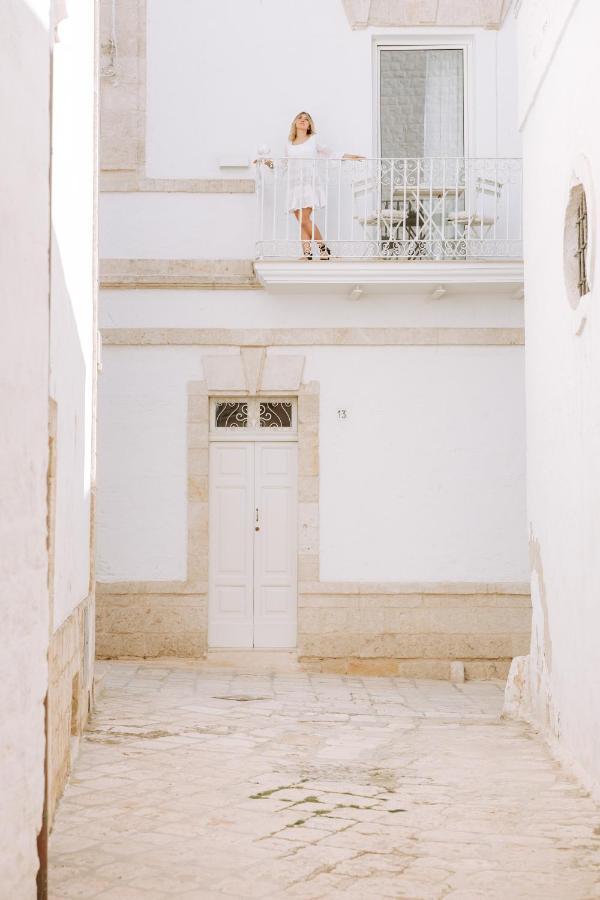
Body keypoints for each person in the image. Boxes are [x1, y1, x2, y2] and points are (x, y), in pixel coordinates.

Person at [257, 111, 364, 259]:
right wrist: (265, 161)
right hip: (294, 185)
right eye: (300, 118)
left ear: (309, 125)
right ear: (295, 123)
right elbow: (282, 164)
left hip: (309, 183)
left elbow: (331, 153)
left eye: (306, 119)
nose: (302, 120)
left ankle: (323, 249)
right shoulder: (289, 144)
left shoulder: (313, 140)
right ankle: (307, 253)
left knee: (304, 218)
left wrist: (350, 156)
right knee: (302, 220)